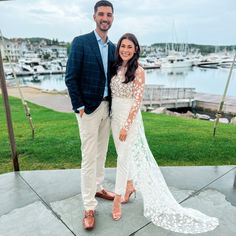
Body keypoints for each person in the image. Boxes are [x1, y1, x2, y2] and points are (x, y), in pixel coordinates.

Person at [110, 33, 219, 234]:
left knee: (123, 159)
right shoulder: (115, 67)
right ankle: (130, 186)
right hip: (113, 117)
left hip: (129, 120)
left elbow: (137, 102)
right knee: (122, 155)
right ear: (119, 48)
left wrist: (126, 125)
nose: (125, 49)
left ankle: (117, 199)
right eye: (122, 46)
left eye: (129, 46)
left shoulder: (139, 71)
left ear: (135, 50)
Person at [65, 0, 116, 230]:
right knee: (88, 157)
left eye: (109, 14)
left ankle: (97, 186)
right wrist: (80, 107)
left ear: (112, 18)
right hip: (88, 110)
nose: (105, 18)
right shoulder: (81, 42)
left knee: (102, 152)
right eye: (101, 14)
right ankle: (88, 205)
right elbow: (70, 77)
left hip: (108, 108)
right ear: (94, 16)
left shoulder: (114, 48)